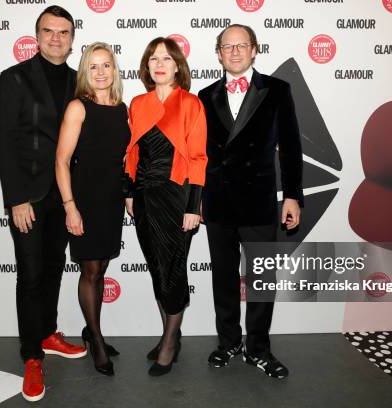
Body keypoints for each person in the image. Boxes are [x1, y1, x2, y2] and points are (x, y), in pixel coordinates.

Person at [197, 24, 304, 379]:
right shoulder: (205, 94)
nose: (235, 51)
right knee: (223, 278)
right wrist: (195, 200)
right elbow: (199, 156)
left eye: (242, 45)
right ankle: (228, 341)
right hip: (219, 202)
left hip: (259, 201)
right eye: (228, 46)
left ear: (255, 50)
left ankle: (258, 348)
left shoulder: (276, 90)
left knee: (261, 278)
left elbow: (290, 147)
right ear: (218, 53)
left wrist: (292, 196)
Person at [0, 5, 85, 402]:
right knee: (29, 275)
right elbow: (4, 141)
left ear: (72, 38)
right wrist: (16, 198)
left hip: (64, 196)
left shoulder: (78, 81)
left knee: (51, 270)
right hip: (28, 197)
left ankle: (47, 333)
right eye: (49, 31)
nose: (56, 38)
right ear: (37, 35)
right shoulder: (14, 78)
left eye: (63, 32)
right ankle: (32, 355)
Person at [124, 37, 207, 376]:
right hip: (144, 198)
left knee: (173, 269)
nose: (159, 64)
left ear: (177, 66)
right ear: (147, 66)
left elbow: (200, 157)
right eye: (153, 58)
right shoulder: (138, 103)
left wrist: (194, 206)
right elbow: (131, 153)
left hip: (177, 198)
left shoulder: (190, 103)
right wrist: (129, 194)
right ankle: (169, 333)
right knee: (157, 269)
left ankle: (170, 343)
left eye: (166, 58)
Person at [55, 42, 129, 376]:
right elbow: (61, 160)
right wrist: (70, 207)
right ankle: (96, 340)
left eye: (107, 65)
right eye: (94, 66)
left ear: (115, 70)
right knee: (90, 271)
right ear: (85, 71)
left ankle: (89, 329)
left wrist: (128, 196)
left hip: (111, 200)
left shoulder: (122, 107)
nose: (100, 72)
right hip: (84, 199)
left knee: (100, 267)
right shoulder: (78, 107)